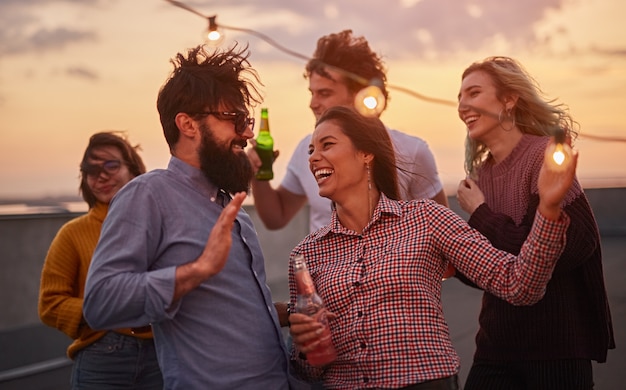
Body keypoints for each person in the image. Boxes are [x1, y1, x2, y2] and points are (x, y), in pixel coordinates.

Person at [286, 106, 577, 390]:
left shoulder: (426, 218)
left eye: (327, 144)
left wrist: (548, 210)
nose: (314, 157)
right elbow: (307, 371)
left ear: (365, 153)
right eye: (311, 150)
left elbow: (518, 285)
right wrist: (303, 346)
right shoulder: (307, 254)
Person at [82, 45, 309, 390]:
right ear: (188, 124)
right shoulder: (148, 194)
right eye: (235, 119)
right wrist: (198, 269)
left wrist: (288, 314)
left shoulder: (235, 214)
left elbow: (226, 311)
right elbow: (100, 302)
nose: (247, 133)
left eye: (246, 121)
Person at [455, 56, 615, 390]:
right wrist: (455, 261)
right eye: (459, 97)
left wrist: (482, 215)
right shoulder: (480, 177)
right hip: (495, 346)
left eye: (473, 93)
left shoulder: (544, 156)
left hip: (555, 348)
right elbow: (493, 270)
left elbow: (567, 247)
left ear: (509, 99)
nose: (462, 105)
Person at [248, 29, 448, 234]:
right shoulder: (307, 151)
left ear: (359, 94)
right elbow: (276, 217)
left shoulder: (412, 150)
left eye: (324, 93)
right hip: (323, 264)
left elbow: (442, 227)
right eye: (312, 93)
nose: (313, 103)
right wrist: (259, 173)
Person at [38, 131, 163, 389]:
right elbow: (50, 304)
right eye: (91, 169)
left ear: (133, 169)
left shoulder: (159, 224)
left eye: (111, 165)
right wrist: (102, 311)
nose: (101, 175)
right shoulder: (72, 233)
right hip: (104, 356)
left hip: (162, 352)